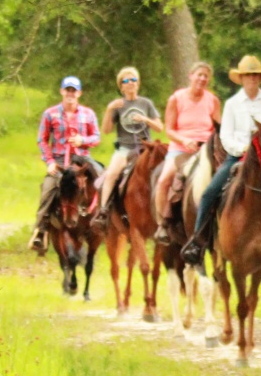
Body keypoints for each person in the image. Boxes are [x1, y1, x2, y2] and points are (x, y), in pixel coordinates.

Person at [180, 55, 261, 267]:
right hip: (238, 157)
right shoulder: (232, 104)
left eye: (255, 76)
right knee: (209, 193)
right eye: (248, 76)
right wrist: (243, 149)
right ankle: (198, 240)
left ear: (260, 78)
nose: (251, 80)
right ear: (242, 79)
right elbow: (226, 136)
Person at [29, 75, 101, 253]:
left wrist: (82, 139)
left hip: (82, 159)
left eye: (74, 91)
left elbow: (96, 137)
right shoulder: (50, 113)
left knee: (102, 179)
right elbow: (42, 140)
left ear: (79, 93)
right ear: (62, 91)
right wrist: (50, 162)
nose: (70, 94)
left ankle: (105, 222)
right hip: (60, 161)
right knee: (48, 188)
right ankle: (41, 231)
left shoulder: (88, 114)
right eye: (67, 90)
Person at [153, 61, 222, 243]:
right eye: (199, 74)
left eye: (206, 76)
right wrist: (184, 140)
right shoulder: (176, 99)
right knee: (164, 180)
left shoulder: (212, 100)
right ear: (190, 76)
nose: (202, 79)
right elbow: (168, 129)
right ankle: (163, 224)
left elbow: (218, 128)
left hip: (205, 149)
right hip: (180, 148)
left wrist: (210, 144)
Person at [94, 66, 163, 227]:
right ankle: (103, 210)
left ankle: (166, 213)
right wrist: (109, 109)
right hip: (125, 148)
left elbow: (159, 127)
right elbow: (106, 130)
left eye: (133, 80)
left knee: (164, 173)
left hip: (146, 148)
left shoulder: (146, 103)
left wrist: (146, 120)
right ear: (121, 86)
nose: (130, 83)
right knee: (111, 174)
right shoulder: (118, 105)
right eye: (126, 81)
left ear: (138, 83)